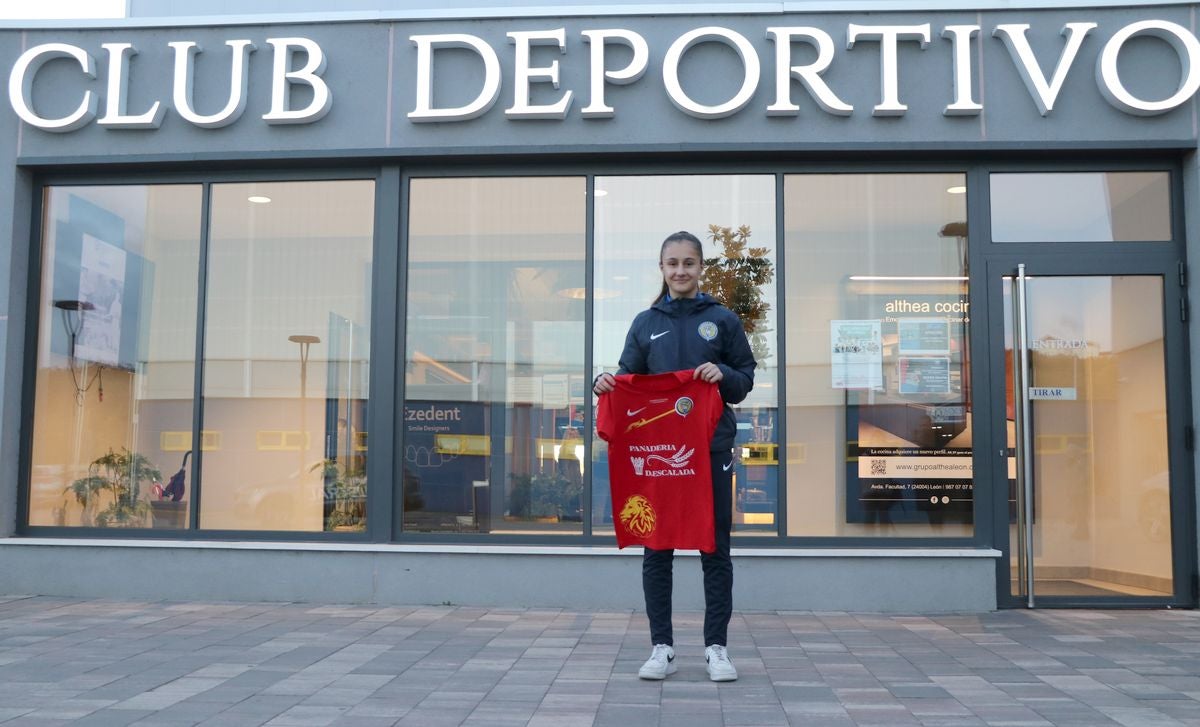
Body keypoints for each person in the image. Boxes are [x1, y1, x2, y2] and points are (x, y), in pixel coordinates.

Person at [593, 230, 756, 682]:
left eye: (688, 263)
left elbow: (744, 381)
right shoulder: (646, 323)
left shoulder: (722, 319)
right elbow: (628, 381)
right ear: (661, 269)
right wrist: (604, 385)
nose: (680, 271)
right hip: (662, 453)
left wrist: (720, 373)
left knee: (714, 547)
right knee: (657, 546)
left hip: (710, 450)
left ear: (701, 267)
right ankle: (661, 647)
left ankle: (716, 648)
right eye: (672, 264)